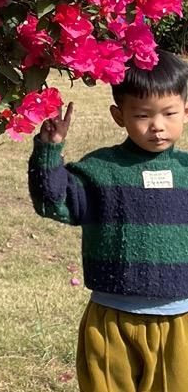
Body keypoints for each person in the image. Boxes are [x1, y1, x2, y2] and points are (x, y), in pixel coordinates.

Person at [29, 49, 188, 391]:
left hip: (181, 322)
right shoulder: (101, 171)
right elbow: (54, 203)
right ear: (119, 115)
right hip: (111, 320)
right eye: (143, 115)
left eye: (169, 113)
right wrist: (49, 150)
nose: (157, 126)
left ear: (186, 111)